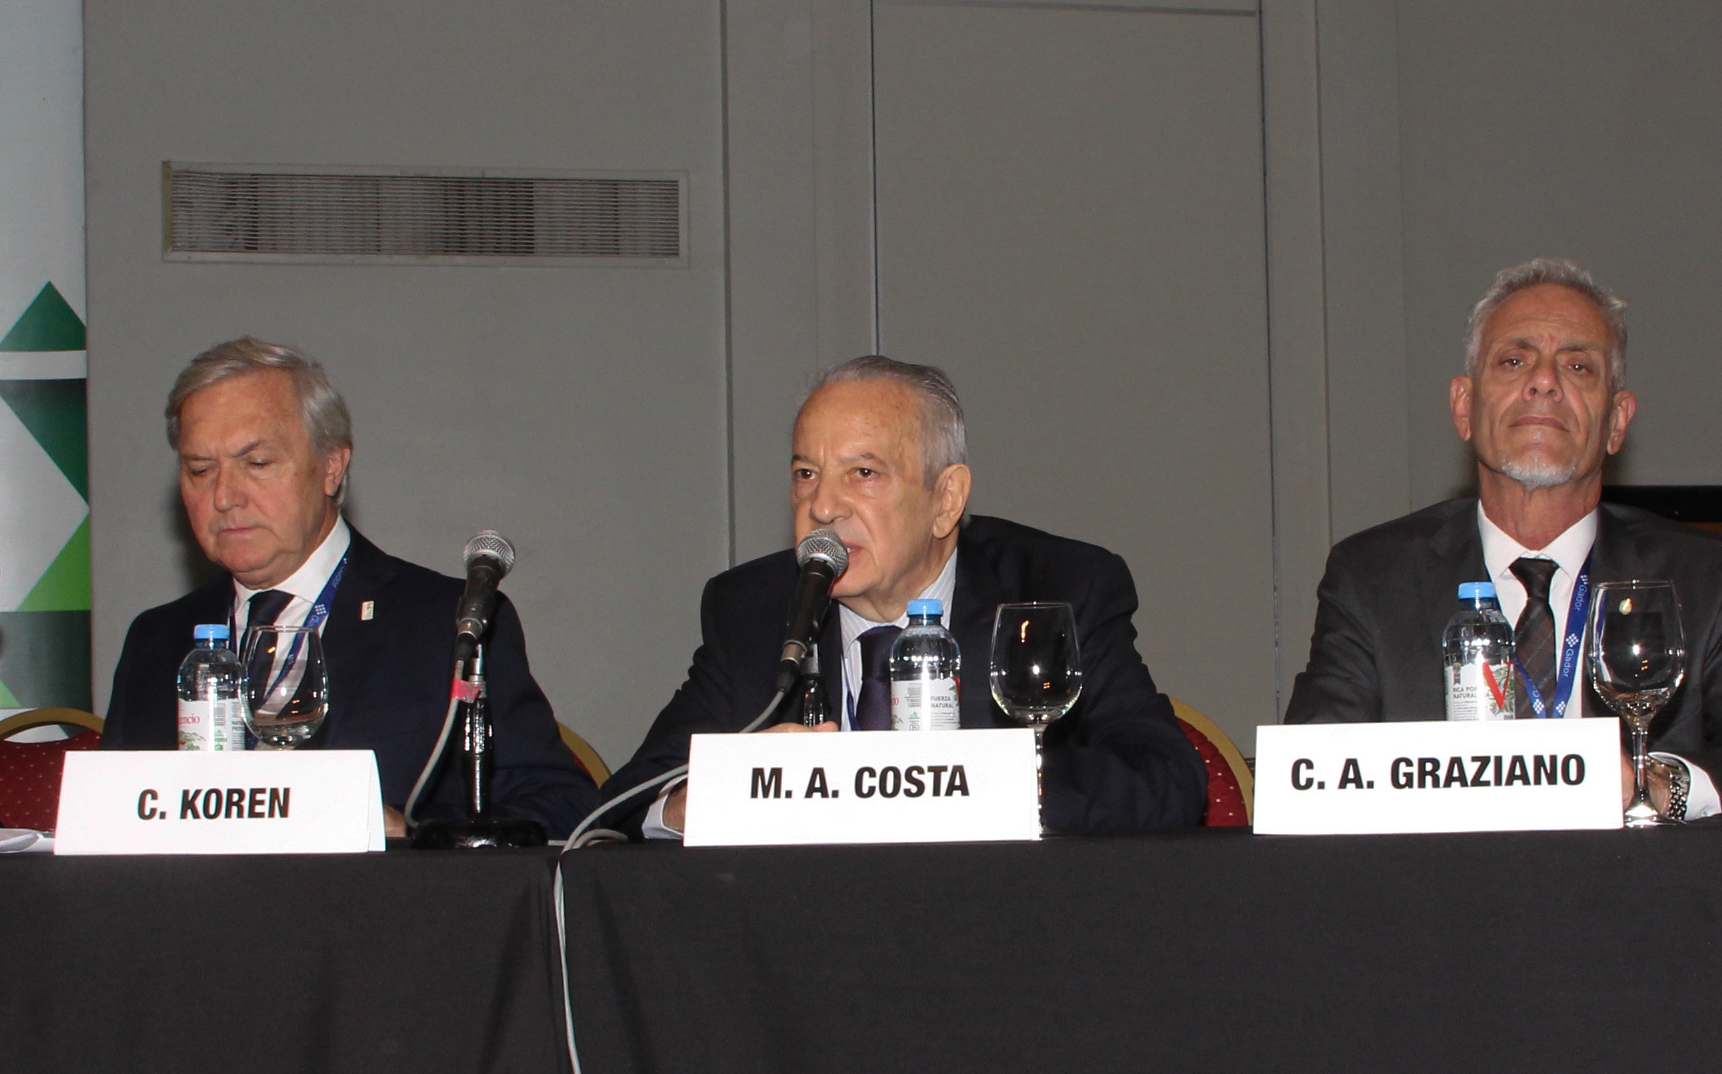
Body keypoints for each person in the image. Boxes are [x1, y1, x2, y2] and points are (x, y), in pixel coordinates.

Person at [598, 356, 1205, 837]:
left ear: (946, 499)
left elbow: (1168, 781)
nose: (822, 506)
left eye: (863, 474)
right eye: (806, 474)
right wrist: (714, 795)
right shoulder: (753, 610)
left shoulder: (1057, 589)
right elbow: (618, 807)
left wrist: (971, 782)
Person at [1285, 259, 1722, 817]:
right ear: (1464, 408)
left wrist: (1651, 783)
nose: (1545, 380)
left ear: (1617, 422)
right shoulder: (1371, 577)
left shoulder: (1714, 580)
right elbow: (1310, 777)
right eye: (1514, 361)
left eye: (1577, 366)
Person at [103, 339, 587, 838]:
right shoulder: (156, 640)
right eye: (201, 470)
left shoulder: (451, 624)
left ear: (332, 467)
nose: (224, 496)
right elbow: (107, 824)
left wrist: (407, 835)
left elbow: (560, 807)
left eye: (258, 463)